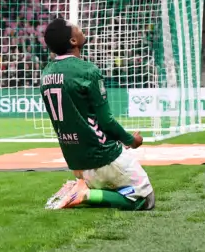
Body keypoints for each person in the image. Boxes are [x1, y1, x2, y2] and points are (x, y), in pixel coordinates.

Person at [38, 18, 155, 211]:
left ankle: (78, 186)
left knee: (120, 188)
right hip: (103, 156)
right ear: (73, 41)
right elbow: (105, 121)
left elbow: (83, 120)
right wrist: (131, 140)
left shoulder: (46, 74)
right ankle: (85, 194)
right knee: (143, 199)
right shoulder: (87, 71)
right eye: (74, 27)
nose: (79, 27)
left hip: (76, 162)